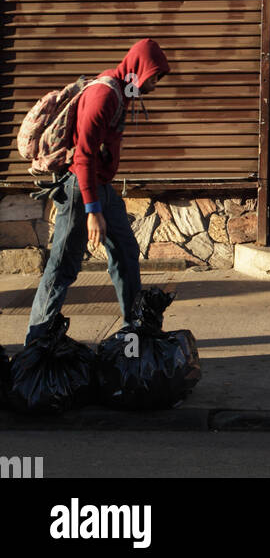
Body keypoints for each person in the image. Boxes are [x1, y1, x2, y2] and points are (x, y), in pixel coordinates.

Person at [26, 38, 170, 343]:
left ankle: (136, 329)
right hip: (80, 185)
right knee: (64, 264)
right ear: (139, 70)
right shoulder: (104, 94)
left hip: (99, 185)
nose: (154, 86)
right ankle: (35, 344)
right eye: (153, 78)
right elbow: (83, 155)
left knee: (126, 252)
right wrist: (92, 211)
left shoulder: (121, 92)